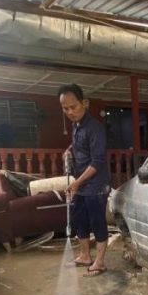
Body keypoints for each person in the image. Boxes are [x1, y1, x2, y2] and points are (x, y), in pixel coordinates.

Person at [59, 84, 110, 276]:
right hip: (80, 183)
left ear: (84, 103)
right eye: (65, 108)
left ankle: (100, 261)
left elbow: (97, 161)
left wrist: (77, 182)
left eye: (74, 107)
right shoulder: (76, 125)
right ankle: (85, 255)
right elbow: (79, 144)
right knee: (80, 219)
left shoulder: (95, 128)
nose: (70, 112)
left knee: (97, 222)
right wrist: (70, 150)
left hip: (96, 185)